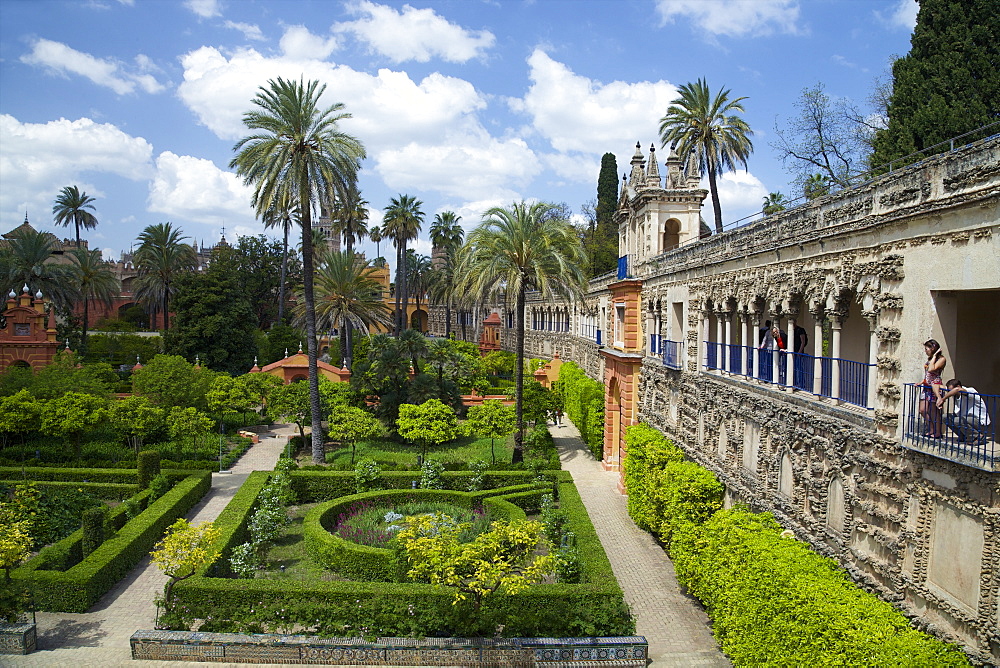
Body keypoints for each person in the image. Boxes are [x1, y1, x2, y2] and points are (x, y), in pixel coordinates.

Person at [937, 379, 991, 446]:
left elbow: (957, 389)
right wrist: (939, 397)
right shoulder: (954, 392)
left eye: (951, 391)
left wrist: (943, 399)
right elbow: (936, 385)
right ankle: (964, 436)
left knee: (957, 420)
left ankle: (979, 437)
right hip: (965, 419)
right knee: (945, 417)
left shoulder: (970, 391)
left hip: (978, 420)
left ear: (959, 386)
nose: (950, 392)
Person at [918, 339, 946, 438]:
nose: (925, 351)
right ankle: (931, 429)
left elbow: (931, 369)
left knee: (934, 411)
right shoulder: (929, 359)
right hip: (927, 387)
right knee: (922, 410)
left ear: (933, 348)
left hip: (935, 386)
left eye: (927, 349)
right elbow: (927, 373)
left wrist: (934, 356)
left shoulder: (941, 359)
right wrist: (921, 382)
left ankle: (937, 432)